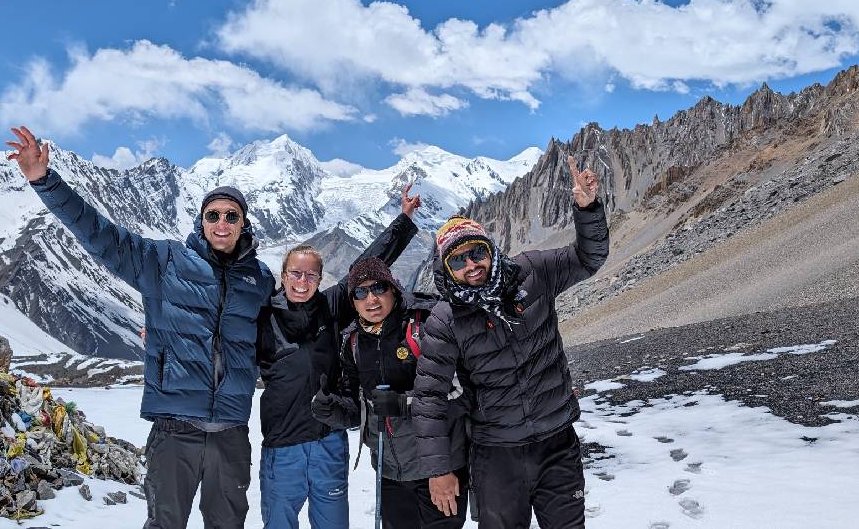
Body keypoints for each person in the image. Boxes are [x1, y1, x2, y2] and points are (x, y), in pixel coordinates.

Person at [5, 126, 274, 529]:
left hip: (231, 432)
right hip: (175, 429)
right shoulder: (163, 262)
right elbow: (101, 236)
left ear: (243, 223)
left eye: (231, 216)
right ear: (201, 221)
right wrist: (44, 181)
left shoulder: (260, 279)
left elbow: (283, 333)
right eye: (213, 215)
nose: (222, 223)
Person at [411, 156, 609, 529]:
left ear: (490, 249)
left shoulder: (533, 273)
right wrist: (438, 470)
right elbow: (428, 399)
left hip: (557, 444)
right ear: (446, 269)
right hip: (496, 454)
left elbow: (589, 258)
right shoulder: (445, 320)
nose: (471, 265)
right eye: (458, 261)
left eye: (477, 252)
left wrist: (587, 210)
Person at [256, 185, 422, 528]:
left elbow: (370, 265)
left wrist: (404, 221)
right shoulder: (263, 317)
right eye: (296, 274)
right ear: (283, 275)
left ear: (320, 279)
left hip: (328, 441)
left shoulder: (331, 305)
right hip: (282, 446)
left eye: (311, 275)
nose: (302, 282)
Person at [311, 257, 469, 528]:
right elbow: (359, 408)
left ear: (393, 289)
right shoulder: (353, 342)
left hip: (437, 470)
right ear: (352, 301)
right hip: (390, 473)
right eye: (360, 292)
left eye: (378, 288)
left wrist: (403, 404)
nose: (371, 299)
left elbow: (461, 393)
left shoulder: (425, 326)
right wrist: (332, 408)